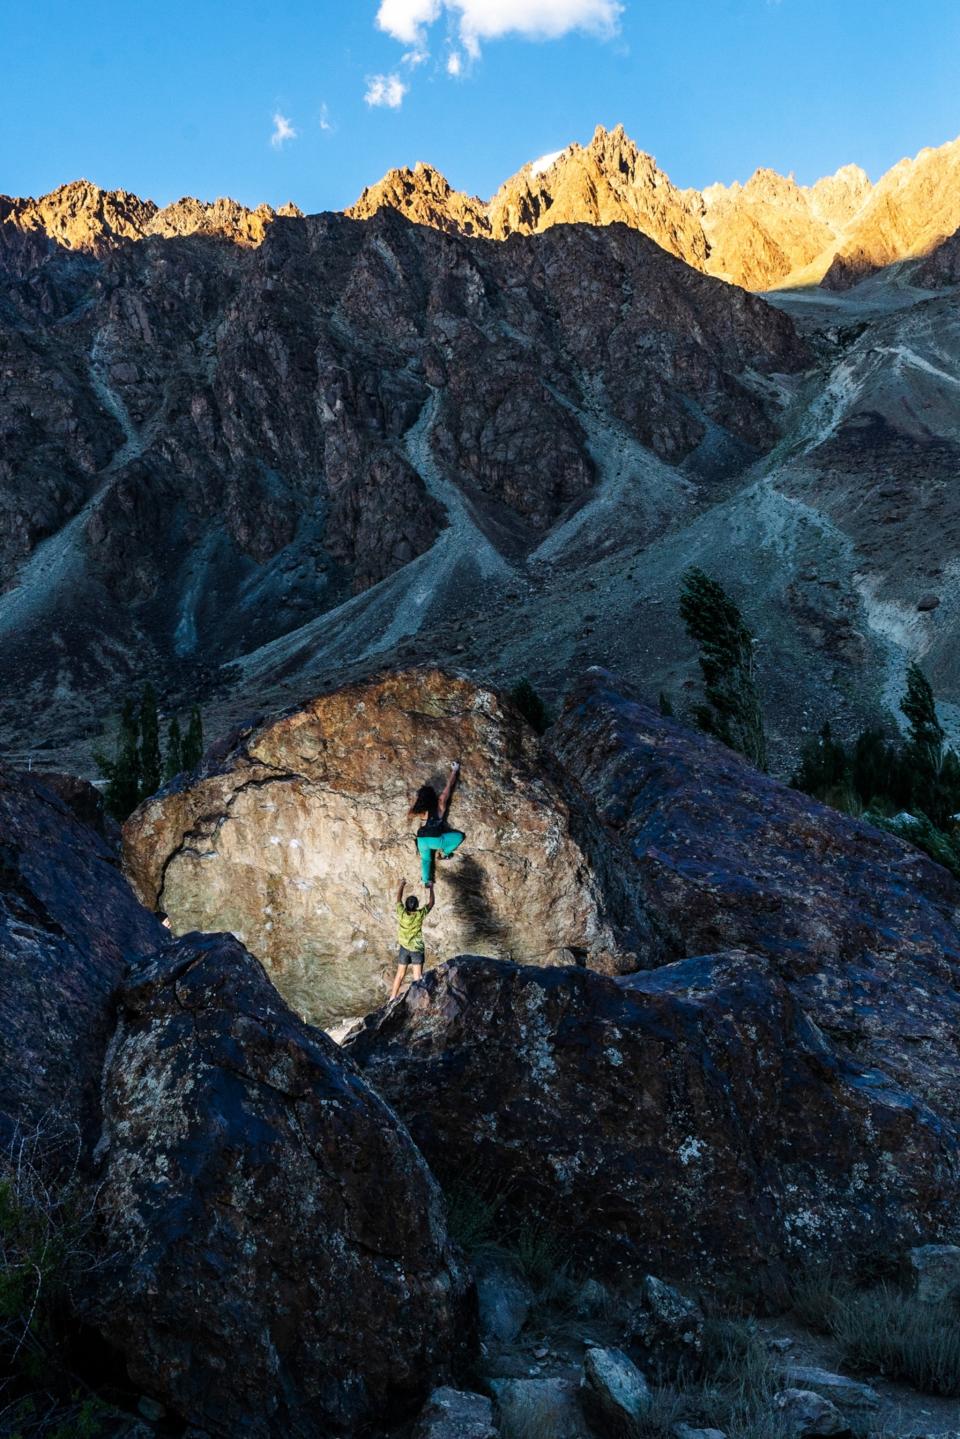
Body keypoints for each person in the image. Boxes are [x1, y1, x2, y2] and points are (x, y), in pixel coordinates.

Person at [409, 761, 465, 884]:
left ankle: (425, 881)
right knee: (459, 836)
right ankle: (445, 853)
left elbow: (410, 811)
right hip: (435, 840)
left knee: (426, 860)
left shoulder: (420, 810)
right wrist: (454, 771)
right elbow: (448, 788)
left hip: (421, 840)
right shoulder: (440, 804)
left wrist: (416, 798)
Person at [390, 878, 435, 1000]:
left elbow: (398, 899)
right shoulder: (419, 915)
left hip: (404, 947)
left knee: (399, 975)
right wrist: (431, 888)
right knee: (417, 978)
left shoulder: (401, 913)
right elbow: (431, 903)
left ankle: (392, 998)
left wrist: (402, 885)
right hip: (416, 949)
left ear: (405, 906)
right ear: (417, 907)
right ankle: (418, 1000)